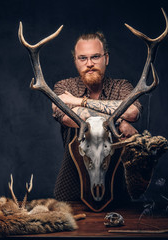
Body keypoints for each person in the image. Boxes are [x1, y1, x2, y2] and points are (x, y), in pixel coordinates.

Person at [52, 32, 143, 201]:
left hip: (118, 191)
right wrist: (120, 121)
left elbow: (132, 112)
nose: (89, 64)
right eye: (82, 58)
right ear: (75, 61)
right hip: (72, 190)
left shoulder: (121, 86)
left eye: (95, 57)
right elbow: (67, 117)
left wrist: (79, 102)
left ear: (106, 58)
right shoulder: (64, 87)